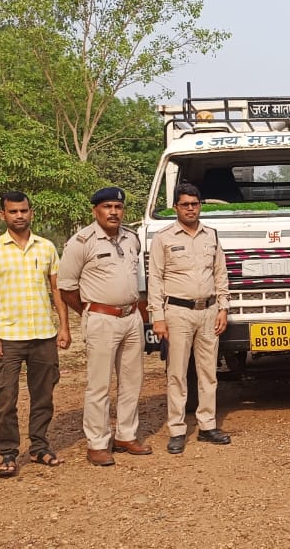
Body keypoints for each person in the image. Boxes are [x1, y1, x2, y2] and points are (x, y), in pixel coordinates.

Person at [0, 191, 71, 478]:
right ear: (2, 215)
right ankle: (8, 453)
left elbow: (57, 289)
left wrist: (64, 326)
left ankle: (39, 447)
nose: (19, 215)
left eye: (24, 210)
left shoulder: (46, 247)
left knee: (44, 395)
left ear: (31, 213)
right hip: (8, 336)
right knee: (6, 398)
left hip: (43, 334)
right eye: (13, 211)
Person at [59, 187, 150, 466]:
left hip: (131, 317)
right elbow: (66, 288)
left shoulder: (131, 238)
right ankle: (97, 443)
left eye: (118, 207)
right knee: (99, 385)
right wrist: (90, 312)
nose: (113, 212)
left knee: (132, 380)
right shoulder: (81, 242)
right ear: (95, 210)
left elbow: (137, 280)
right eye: (107, 207)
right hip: (101, 319)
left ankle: (126, 435)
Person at [146, 183, 232, 455]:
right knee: (177, 374)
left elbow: (220, 273)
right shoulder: (163, 238)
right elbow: (155, 279)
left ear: (200, 205)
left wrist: (223, 307)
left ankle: (207, 426)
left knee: (208, 373)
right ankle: (177, 429)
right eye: (185, 204)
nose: (191, 209)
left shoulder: (211, 235)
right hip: (177, 312)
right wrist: (157, 317)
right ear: (176, 207)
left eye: (195, 204)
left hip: (208, 311)